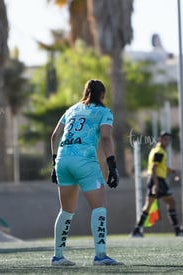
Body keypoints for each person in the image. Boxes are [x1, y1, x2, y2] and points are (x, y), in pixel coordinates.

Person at [50, 79, 123, 266]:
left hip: (62, 161)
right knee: (99, 207)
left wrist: (54, 163)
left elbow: (54, 136)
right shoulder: (104, 112)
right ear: (102, 95)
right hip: (84, 162)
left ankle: (58, 257)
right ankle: (100, 255)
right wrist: (112, 165)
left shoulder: (72, 109)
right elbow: (106, 138)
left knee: (65, 211)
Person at [131, 131, 183, 237]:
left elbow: (160, 166)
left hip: (153, 179)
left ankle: (136, 230)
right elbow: (154, 168)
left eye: (169, 140)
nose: (167, 142)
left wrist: (172, 171)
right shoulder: (159, 152)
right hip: (157, 180)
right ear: (160, 139)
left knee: (148, 206)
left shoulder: (156, 150)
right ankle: (178, 231)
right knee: (171, 202)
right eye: (165, 139)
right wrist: (156, 185)